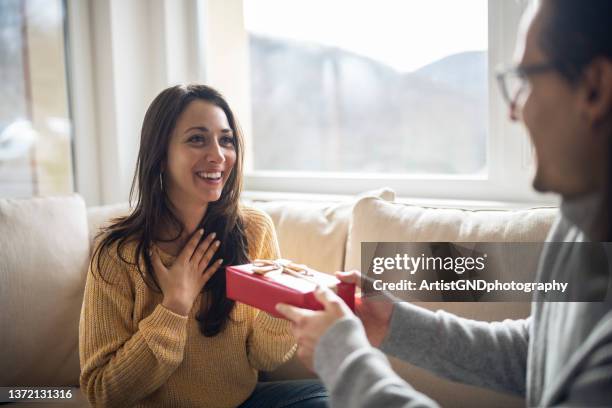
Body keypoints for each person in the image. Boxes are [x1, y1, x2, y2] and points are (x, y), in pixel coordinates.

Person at [276, 0, 612, 406]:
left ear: (595, 88)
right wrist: (394, 323)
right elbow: (538, 353)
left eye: (526, 79)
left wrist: (345, 361)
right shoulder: (578, 226)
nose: (513, 111)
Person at [79, 84, 328, 407]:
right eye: (197, 139)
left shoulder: (253, 228)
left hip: (244, 402)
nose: (218, 155)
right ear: (161, 154)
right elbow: (101, 392)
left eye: (226, 140)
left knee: (339, 399)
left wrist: (279, 302)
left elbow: (264, 359)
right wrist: (174, 307)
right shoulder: (118, 254)